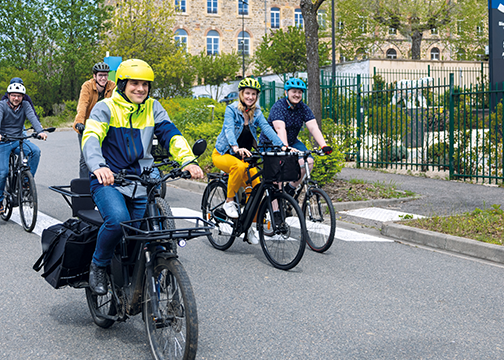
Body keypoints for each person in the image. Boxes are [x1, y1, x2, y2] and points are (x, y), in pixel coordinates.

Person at [81, 59, 203, 295]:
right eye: (134, 83)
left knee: (145, 234)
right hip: (110, 180)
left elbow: (171, 134)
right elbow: (92, 137)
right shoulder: (105, 107)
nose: (140, 89)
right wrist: (98, 166)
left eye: (145, 84)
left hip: (141, 182)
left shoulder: (153, 107)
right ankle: (98, 264)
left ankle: (143, 279)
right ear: (123, 84)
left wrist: (188, 160)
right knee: (117, 222)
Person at [212, 77, 284, 244]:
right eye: (247, 93)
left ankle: (249, 226)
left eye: (253, 94)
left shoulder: (256, 112)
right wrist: (235, 147)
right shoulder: (231, 110)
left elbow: (267, 128)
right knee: (237, 166)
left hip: (246, 158)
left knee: (257, 187)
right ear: (241, 94)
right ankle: (229, 202)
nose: (250, 97)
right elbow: (229, 130)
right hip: (224, 153)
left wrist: (282, 146)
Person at [262, 78, 332, 195]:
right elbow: (280, 129)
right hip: (272, 143)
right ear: (286, 92)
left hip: (292, 141)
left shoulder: (303, 108)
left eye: (300, 92)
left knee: (308, 162)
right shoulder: (279, 107)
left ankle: (290, 189)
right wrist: (285, 147)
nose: (297, 95)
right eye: (294, 91)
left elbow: (313, 127)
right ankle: (276, 211)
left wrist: (323, 145)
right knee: (276, 179)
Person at [0, 82, 48, 215]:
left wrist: (40, 131)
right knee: (3, 172)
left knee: (35, 151)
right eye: (13, 95)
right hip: (2, 142)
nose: (16, 98)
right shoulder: (0, 106)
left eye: (19, 96)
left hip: (18, 140)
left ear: (23, 97)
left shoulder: (25, 105)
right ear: (9, 95)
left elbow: (33, 118)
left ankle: (26, 183)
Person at [73, 62, 116, 178]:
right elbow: (83, 105)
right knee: (85, 157)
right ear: (94, 76)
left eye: (105, 75)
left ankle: (106, 181)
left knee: (108, 155)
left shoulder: (112, 86)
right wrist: (79, 123)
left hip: (105, 125)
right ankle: (84, 186)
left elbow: (116, 105)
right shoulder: (87, 86)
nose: (103, 78)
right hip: (87, 125)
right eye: (100, 75)